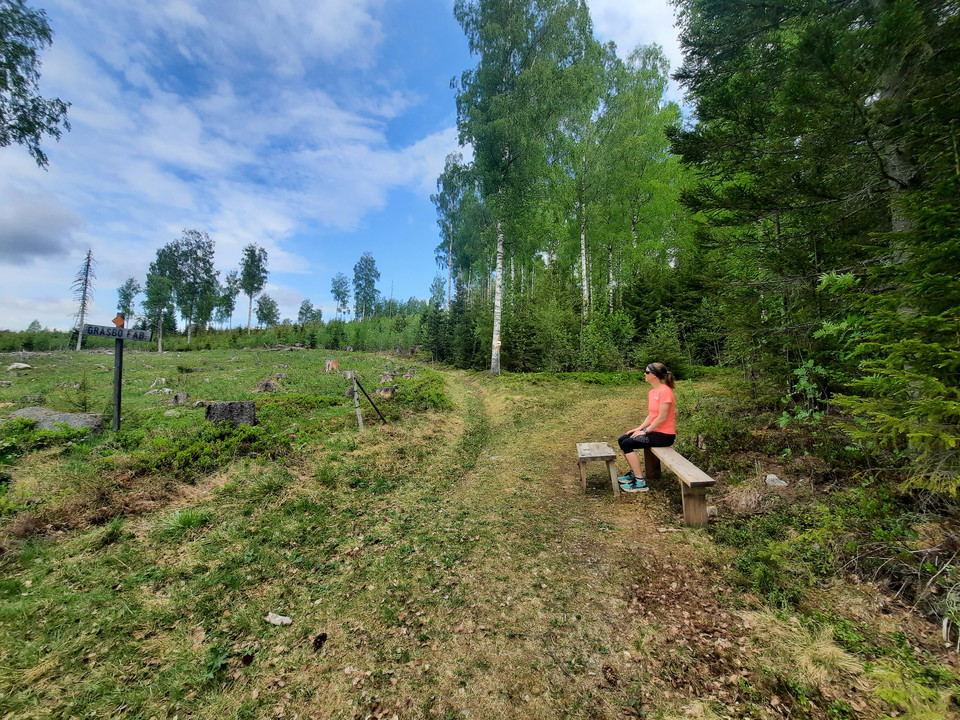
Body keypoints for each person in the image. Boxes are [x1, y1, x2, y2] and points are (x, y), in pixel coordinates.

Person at [617, 362, 676, 492]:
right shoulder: (652, 392)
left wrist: (646, 431)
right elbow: (652, 415)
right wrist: (639, 428)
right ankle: (634, 472)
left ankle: (640, 483)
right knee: (622, 439)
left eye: (647, 372)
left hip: (665, 435)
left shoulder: (665, 391)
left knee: (628, 444)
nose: (645, 374)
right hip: (654, 432)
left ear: (654, 375)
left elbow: (662, 417)